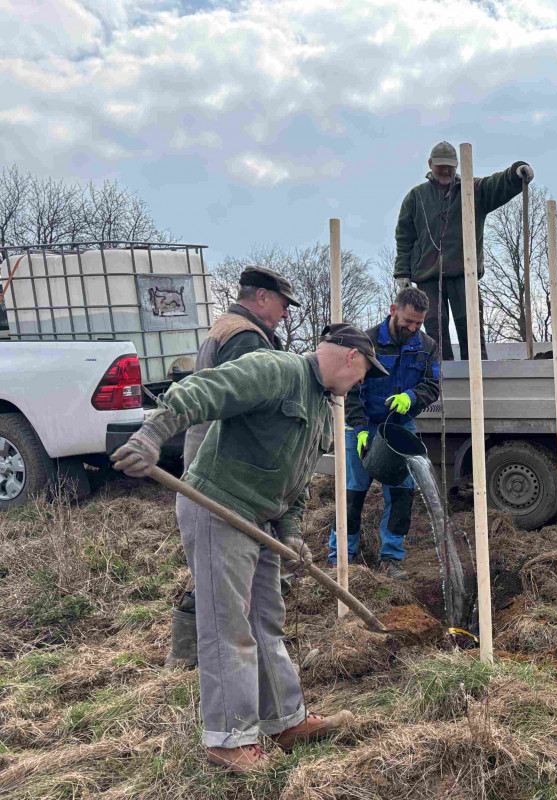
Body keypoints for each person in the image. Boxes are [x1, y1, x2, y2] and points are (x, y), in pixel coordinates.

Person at [111, 323, 389, 773]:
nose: (360, 383)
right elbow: (205, 388)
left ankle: (285, 720)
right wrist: (152, 433)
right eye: (362, 374)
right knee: (228, 623)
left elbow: (295, 485)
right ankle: (228, 739)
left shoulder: (321, 408)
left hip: (261, 521)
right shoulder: (276, 370)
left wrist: (293, 533)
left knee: (266, 619)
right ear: (351, 358)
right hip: (219, 507)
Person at [167, 266, 300, 670]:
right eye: (282, 304)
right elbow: (256, 413)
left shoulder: (228, 328)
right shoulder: (244, 339)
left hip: (209, 458)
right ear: (261, 297)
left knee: (214, 566)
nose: (285, 314)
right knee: (225, 569)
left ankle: (188, 654)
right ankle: (199, 656)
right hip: (226, 468)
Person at [327, 286, 440, 578]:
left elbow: (433, 386)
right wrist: (360, 428)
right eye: (408, 321)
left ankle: (391, 557)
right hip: (363, 424)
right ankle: (343, 556)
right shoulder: (366, 343)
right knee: (353, 491)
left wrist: (412, 397)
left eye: (418, 323)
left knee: (402, 493)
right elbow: (350, 387)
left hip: (400, 425)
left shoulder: (426, 346)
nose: (413, 328)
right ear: (393, 310)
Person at [394, 140, 534, 361]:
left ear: (458, 164)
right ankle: (441, 377)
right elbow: (405, 236)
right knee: (434, 328)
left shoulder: (473, 190)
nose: (446, 170)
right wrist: (402, 271)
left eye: (450, 165)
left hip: (464, 274)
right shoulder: (416, 197)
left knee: (470, 325)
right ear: (430, 164)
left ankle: (477, 374)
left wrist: (516, 172)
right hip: (428, 276)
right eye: (441, 165)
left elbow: (496, 184)